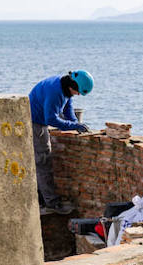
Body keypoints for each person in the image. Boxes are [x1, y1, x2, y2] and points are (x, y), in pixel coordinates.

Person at [29, 70, 93, 215]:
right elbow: (50, 119)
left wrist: (75, 123)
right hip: (34, 122)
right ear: (73, 85)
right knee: (43, 161)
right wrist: (74, 126)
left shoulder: (65, 87)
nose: (77, 95)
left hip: (40, 119)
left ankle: (43, 199)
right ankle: (50, 204)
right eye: (78, 92)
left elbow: (67, 108)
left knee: (42, 160)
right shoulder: (55, 92)